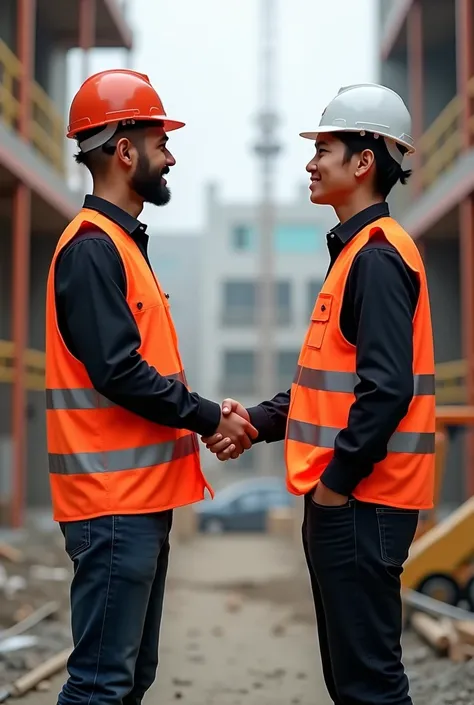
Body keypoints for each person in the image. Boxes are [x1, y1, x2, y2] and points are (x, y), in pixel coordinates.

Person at [203, 83, 436, 705]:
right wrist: (250, 420)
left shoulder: (378, 258)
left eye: (324, 148)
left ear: (364, 162)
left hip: (362, 500)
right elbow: (319, 390)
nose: (310, 162)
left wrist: (336, 484)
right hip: (352, 499)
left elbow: (386, 390)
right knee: (351, 680)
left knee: (369, 685)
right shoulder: (355, 254)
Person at [45, 69, 257, 705]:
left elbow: (138, 370)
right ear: (124, 151)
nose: (170, 156)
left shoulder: (120, 247)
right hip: (112, 505)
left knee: (128, 679)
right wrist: (206, 417)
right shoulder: (91, 249)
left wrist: (205, 413)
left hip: (133, 504)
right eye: (160, 142)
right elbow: (119, 371)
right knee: (101, 686)